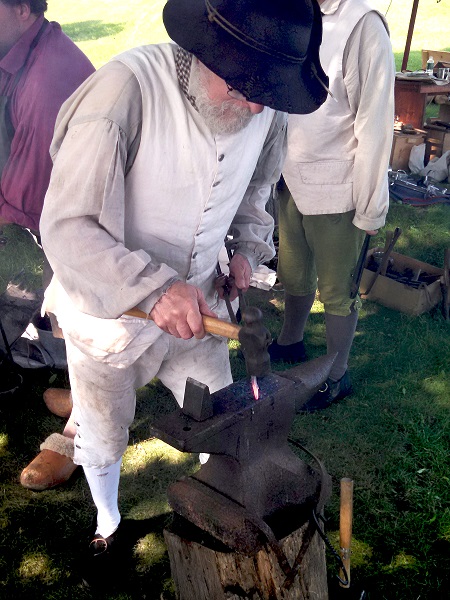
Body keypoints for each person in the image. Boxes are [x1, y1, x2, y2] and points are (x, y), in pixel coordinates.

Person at [21, 0, 328, 569]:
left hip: (202, 309)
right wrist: (155, 290)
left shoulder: (268, 106)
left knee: (227, 415)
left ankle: (218, 504)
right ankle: (107, 520)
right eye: (245, 85)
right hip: (110, 317)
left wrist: (245, 254)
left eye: (270, 88)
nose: (259, 101)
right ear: (205, 51)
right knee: (104, 433)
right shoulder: (122, 95)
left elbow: (254, 199)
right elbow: (67, 228)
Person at [269, 0, 395, 412]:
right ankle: (291, 341)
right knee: (293, 272)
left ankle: (336, 376)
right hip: (291, 175)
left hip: (338, 186)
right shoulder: (294, 12)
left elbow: (375, 123)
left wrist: (371, 204)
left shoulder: (364, 27)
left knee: (337, 292)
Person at [0, 0, 94, 361]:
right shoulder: (23, 46)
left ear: (23, 10)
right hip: (40, 206)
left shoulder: (46, 82)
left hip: (66, 224)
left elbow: (22, 207)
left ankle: (52, 344)